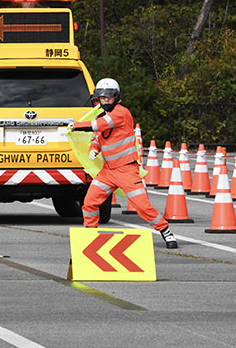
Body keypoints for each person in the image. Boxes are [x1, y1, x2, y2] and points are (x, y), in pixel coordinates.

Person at [71, 78, 178, 249]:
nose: (105, 100)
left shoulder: (121, 113)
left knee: (142, 206)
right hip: (107, 172)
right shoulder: (101, 115)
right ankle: (89, 235)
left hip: (126, 170)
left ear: (117, 97)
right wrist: (94, 148)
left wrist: (75, 125)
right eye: (102, 97)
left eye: (109, 97)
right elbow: (97, 137)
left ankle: (165, 231)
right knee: (90, 202)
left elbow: (98, 126)